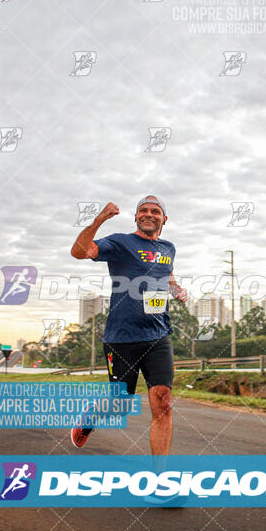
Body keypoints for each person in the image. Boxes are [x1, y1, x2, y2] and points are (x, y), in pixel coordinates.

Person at [70, 195, 187, 455]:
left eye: (155, 211)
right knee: (120, 404)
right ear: (136, 217)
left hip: (158, 334)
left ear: (164, 219)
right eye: (143, 210)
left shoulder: (169, 248)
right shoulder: (121, 242)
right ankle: (90, 418)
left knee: (163, 400)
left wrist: (176, 288)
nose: (149, 214)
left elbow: (166, 273)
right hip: (122, 336)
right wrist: (100, 219)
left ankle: (160, 482)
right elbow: (79, 251)